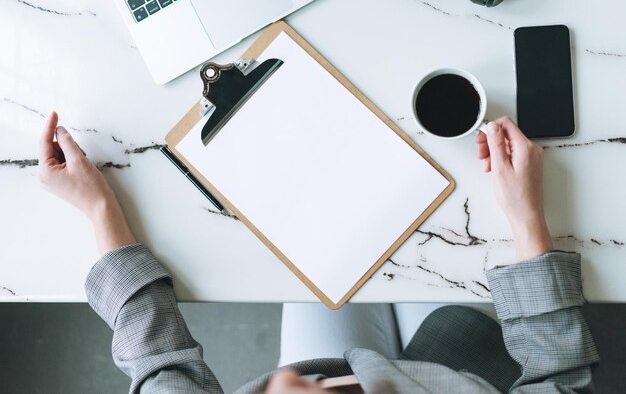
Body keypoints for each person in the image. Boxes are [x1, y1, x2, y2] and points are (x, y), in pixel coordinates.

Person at [38, 111, 599, 394]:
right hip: (448, 373)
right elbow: (560, 375)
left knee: (329, 285)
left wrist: (97, 209)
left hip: (364, 362)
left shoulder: (294, 379)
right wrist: (526, 214)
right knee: (452, 317)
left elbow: (155, 355)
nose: (280, 380)